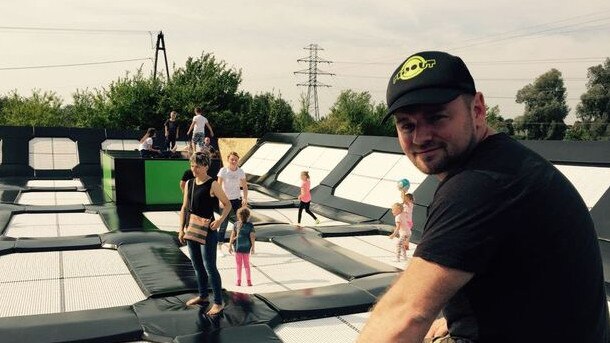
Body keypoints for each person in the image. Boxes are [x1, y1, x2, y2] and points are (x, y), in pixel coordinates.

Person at [358, 51, 609, 342]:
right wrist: (453, 323)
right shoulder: (507, 164)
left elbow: (404, 316)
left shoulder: (481, 184)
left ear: (477, 109)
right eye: (407, 125)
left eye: (436, 117)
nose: (420, 137)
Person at [178, 152, 232, 316]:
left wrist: (220, 221)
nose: (194, 169)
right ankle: (202, 295)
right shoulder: (189, 183)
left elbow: (227, 205)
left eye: (198, 166)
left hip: (208, 229)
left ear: (206, 166)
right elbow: (185, 207)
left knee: (210, 266)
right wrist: (181, 228)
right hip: (193, 227)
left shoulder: (213, 184)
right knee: (196, 264)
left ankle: (218, 301)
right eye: (192, 166)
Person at [217, 151, 249, 250]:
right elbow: (218, 186)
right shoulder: (223, 171)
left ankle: (236, 245)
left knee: (239, 223)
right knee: (223, 224)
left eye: (235, 160)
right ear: (228, 160)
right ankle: (219, 246)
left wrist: (245, 198)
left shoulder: (240, 171)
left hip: (236, 200)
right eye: (232, 159)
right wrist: (220, 200)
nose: (234, 161)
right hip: (226, 201)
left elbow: (244, 186)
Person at [228, 207, 256, 287]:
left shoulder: (236, 224)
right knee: (247, 265)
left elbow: (232, 235)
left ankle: (238, 281)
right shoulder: (250, 225)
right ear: (248, 216)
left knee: (238, 265)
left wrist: (230, 245)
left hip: (238, 247)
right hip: (246, 247)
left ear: (238, 216)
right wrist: (253, 247)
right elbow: (252, 236)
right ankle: (249, 281)